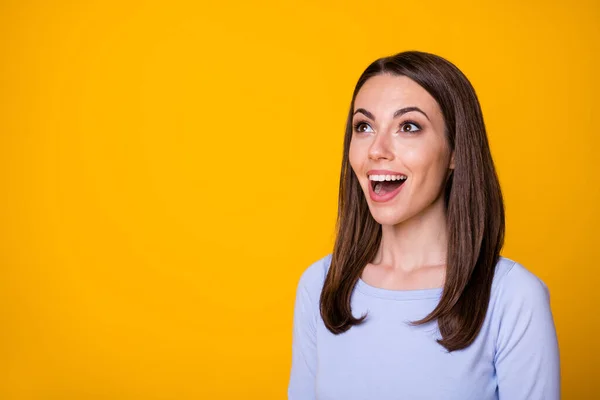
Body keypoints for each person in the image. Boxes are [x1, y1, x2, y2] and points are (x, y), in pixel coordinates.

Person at [287, 51, 560, 400]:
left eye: (408, 127)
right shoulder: (321, 285)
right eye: (364, 126)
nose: (376, 150)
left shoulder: (513, 297)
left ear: (457, 150)